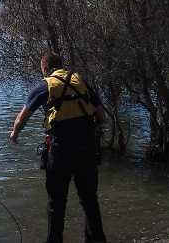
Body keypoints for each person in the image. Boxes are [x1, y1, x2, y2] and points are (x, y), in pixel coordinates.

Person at [9, 52, 106, 243]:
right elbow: (101, 116)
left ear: (44, 68)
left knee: (57, 202)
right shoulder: (81, 81)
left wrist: (14, 133)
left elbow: (22, 117)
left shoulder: (45, 86)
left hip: (61, 150)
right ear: (61, 65)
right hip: (87, 149)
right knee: (89, 200)